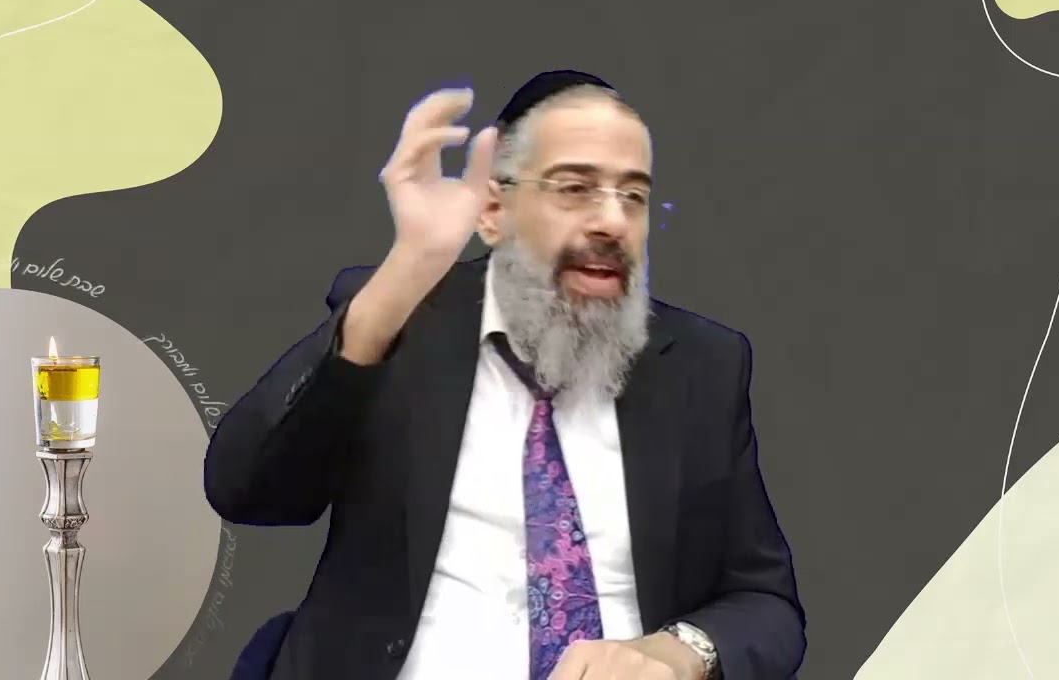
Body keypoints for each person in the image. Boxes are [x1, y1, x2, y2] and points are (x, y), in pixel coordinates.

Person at [205, 70, 806, 680]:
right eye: (575, 188)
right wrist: (408, 269)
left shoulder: (700, 366)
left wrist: (674, 654)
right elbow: (247, 490)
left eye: (633, 196)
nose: (612, 222)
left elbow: (765, 603)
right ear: (493, 210)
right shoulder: (401, 321)